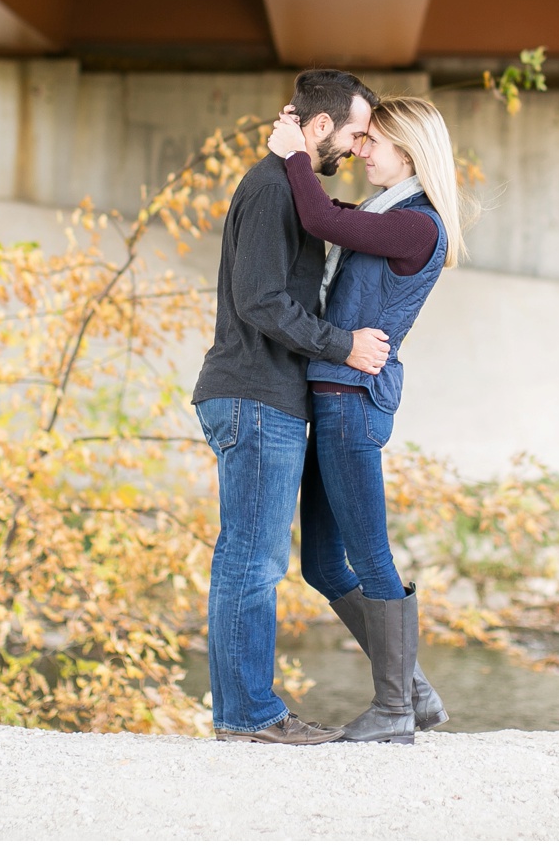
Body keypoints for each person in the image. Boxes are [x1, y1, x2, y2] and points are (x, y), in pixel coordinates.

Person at [192, 68, 393, 745]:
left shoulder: (290, 185)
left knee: (242, 558)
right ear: (318, 127)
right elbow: (262, 300)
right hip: (254, 394)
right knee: (253, 561)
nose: (358, 148)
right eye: (355, 132)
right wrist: (343, 346)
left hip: (257, 393)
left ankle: (238, 716)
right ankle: (250, 717)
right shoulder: (273, 188)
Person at [267, 94, 468, 745]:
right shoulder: (387, 214)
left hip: (353, 403)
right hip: (333, 397)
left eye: (371, 141)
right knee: (323, 565)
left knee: (370, 554)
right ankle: (409, 688)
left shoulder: (419, 225)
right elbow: (334, 219)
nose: (360, 149)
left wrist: (296, 153)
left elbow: (321, 217)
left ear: (409, 149)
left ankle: (394, 711)